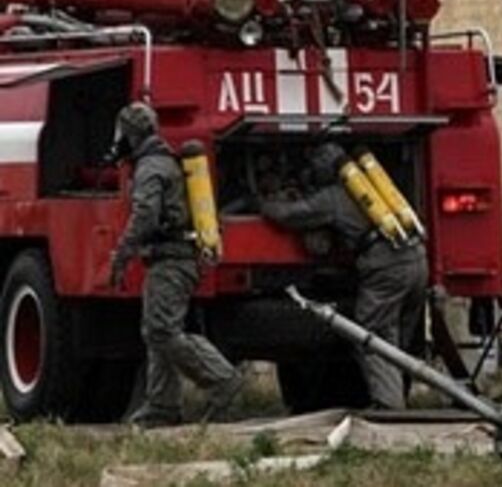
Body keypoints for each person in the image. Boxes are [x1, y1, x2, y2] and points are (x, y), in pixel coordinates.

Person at [259, 141, 428, 410]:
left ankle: (390, 406)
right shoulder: (377, 186)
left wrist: (262, 201)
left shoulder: (333, 197)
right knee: (396, 336)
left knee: (371, 335)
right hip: (417, 259)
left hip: (385, 266)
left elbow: (290, 215)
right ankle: (400, 398)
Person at [107, 102, 242, 427]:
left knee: (162, 330)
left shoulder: (150, 167)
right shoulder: (162, 160)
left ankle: (222, 380)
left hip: (172, 258)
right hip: (176, 257)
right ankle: (162, 406)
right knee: (156, 330)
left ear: (133, 134)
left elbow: (146, 215)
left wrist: (122, 253)